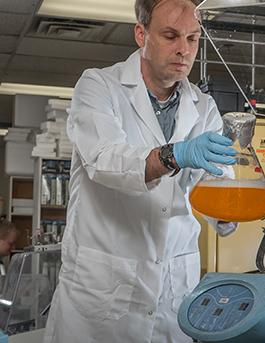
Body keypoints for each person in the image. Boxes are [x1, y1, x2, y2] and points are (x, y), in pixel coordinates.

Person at [43, 0, 237, 342]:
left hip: (172, 294)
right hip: (101, 298)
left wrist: (228, 209)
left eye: (193, 39)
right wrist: (174, 155)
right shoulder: (99, 86)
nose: (183, 50)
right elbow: (105, 160)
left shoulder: (204, 108)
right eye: (170, 35)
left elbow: (214, 188)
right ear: (140, 34)